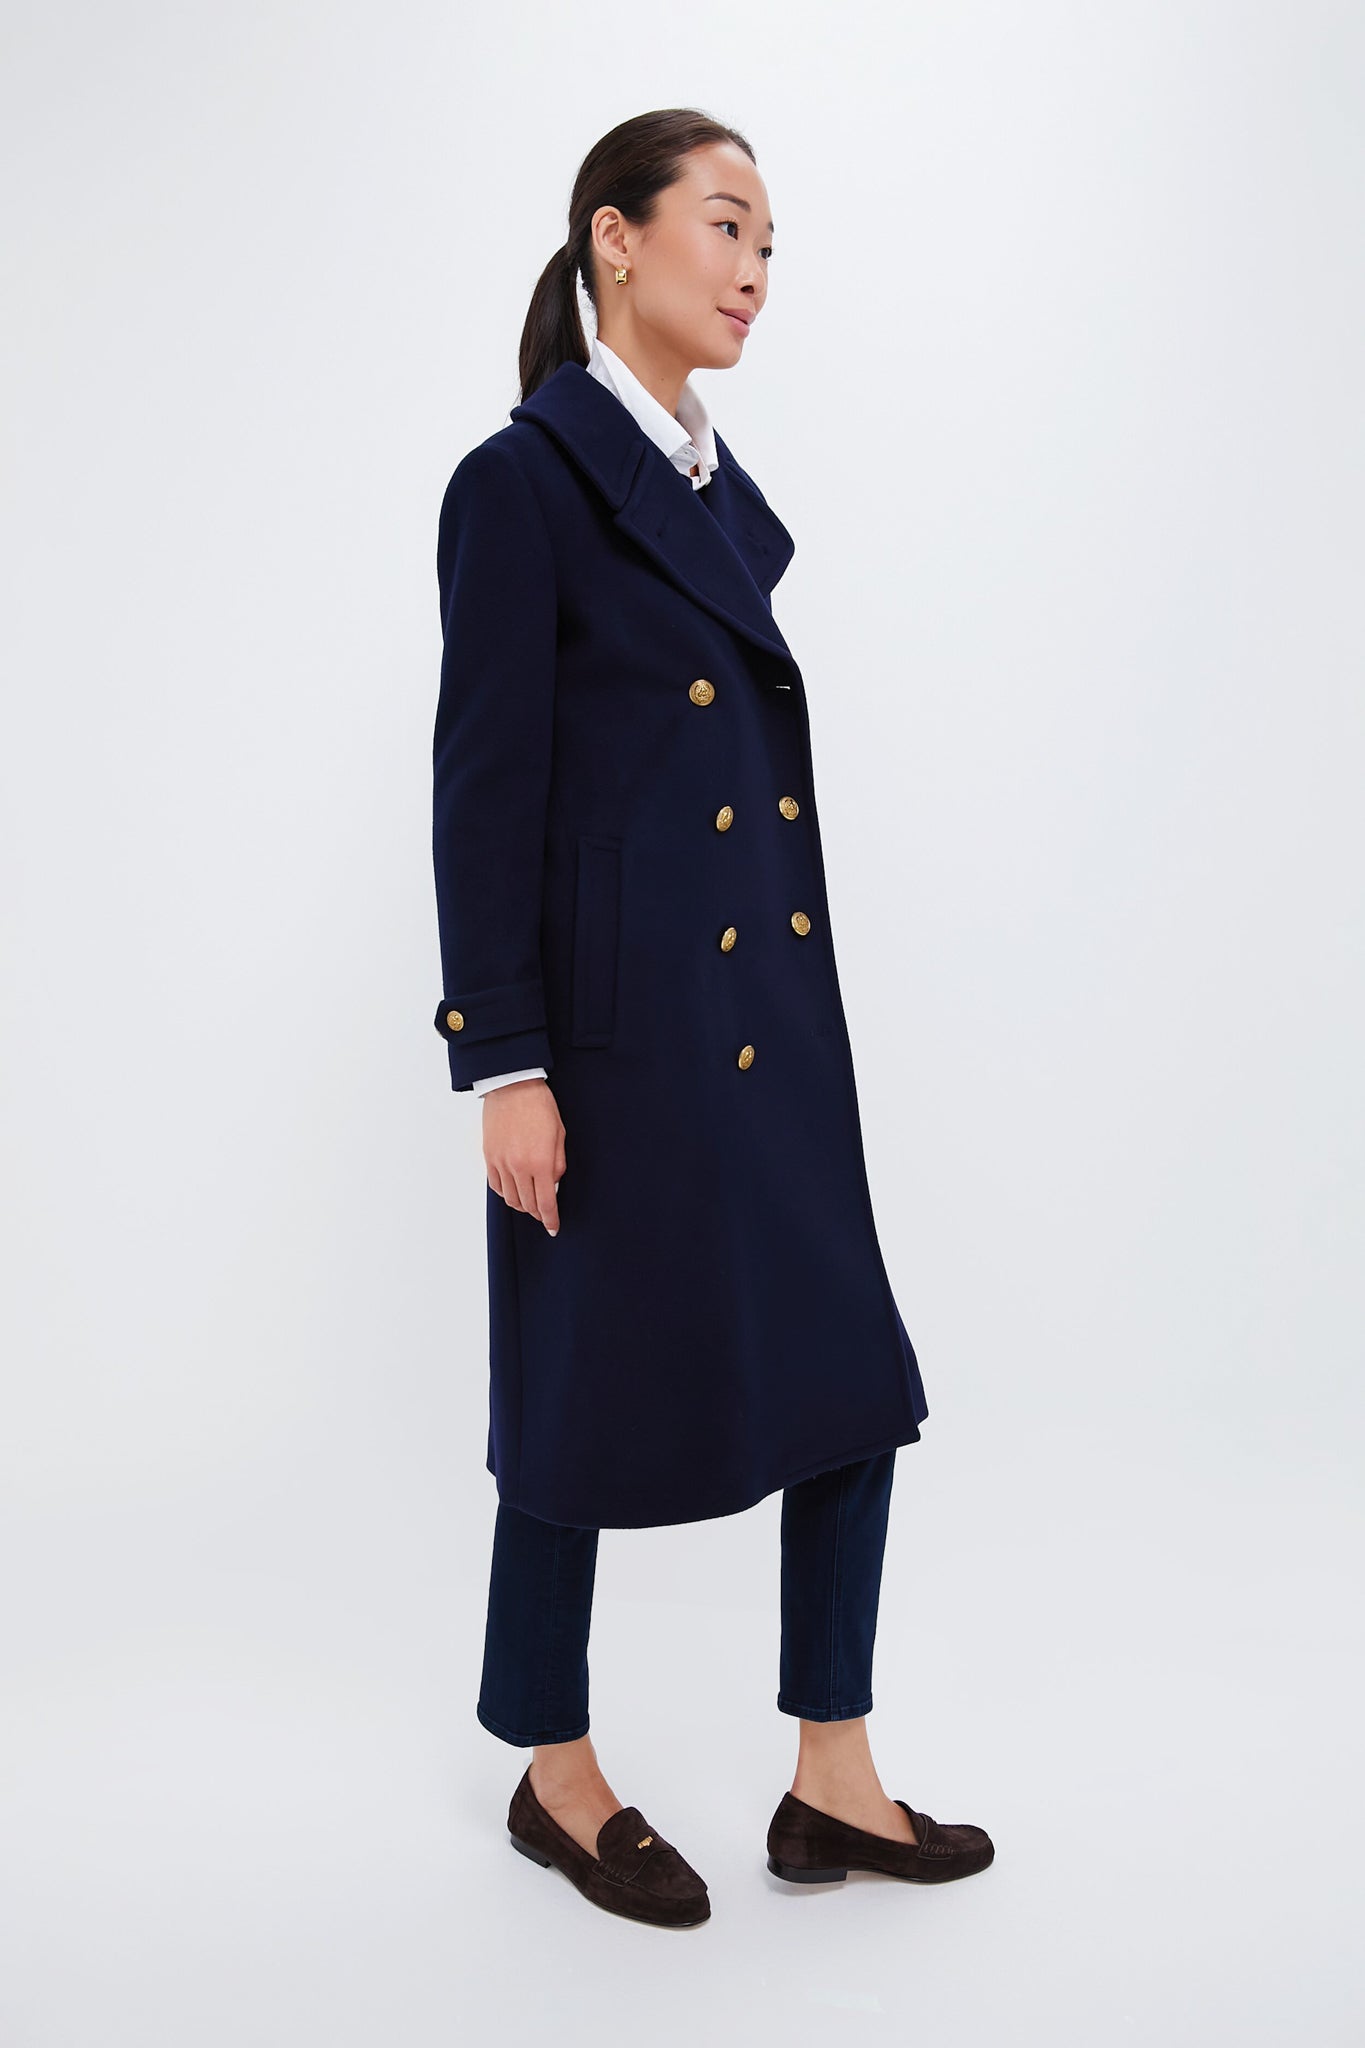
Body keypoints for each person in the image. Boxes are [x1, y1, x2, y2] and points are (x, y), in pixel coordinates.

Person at [431, 108, 994, 1927]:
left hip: (763, 1018)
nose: (754, 271)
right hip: (614, 1046)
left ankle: (832, 1776)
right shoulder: (522, 483)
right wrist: (506, 1063)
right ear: (615, 238)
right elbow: (483, 794)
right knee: (574, 1400)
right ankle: (554, 1770)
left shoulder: (692, 482)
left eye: (769, 244)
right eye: (725, 226)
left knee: (849, 1381)